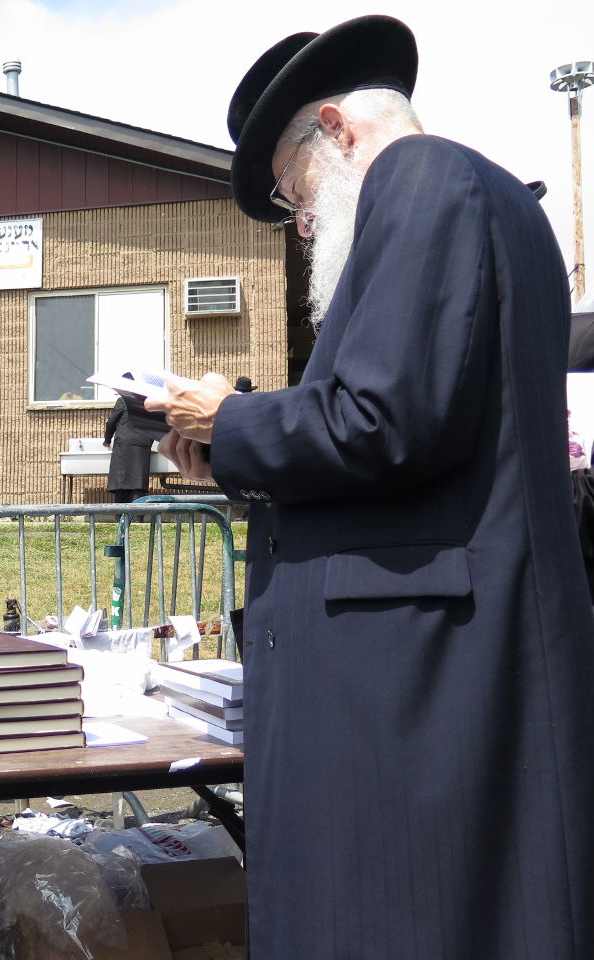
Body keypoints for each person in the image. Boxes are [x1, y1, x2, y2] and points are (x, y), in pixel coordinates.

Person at [148, 16, 594, 958]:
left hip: (416, 676)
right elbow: (418, 432)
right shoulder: (499, 202)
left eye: (291, 187)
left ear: (337, 130)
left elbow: (384, 420)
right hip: (454, 653)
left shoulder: (420, 180)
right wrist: (228, 452)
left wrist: (227, 417)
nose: (300, 220)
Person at [102, 395, 155, 502]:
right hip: (143, 443)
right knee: (138, 482)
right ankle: (137, 516)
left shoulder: (123, 400)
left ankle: (121, 516)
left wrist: (107, 439)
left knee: (121, 482)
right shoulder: (150, 402)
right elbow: (156, 423)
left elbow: (112, 421)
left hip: (124, 443)